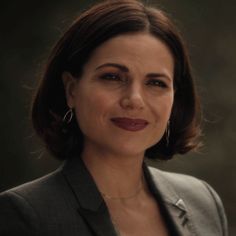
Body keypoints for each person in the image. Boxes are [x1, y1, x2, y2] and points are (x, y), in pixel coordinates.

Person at [0, 0, 228, 235]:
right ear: (71, 90)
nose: (135, 99)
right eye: (112, 77)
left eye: (156, 83)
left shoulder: (203, 202)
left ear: (174, 99)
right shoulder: (25, 214)